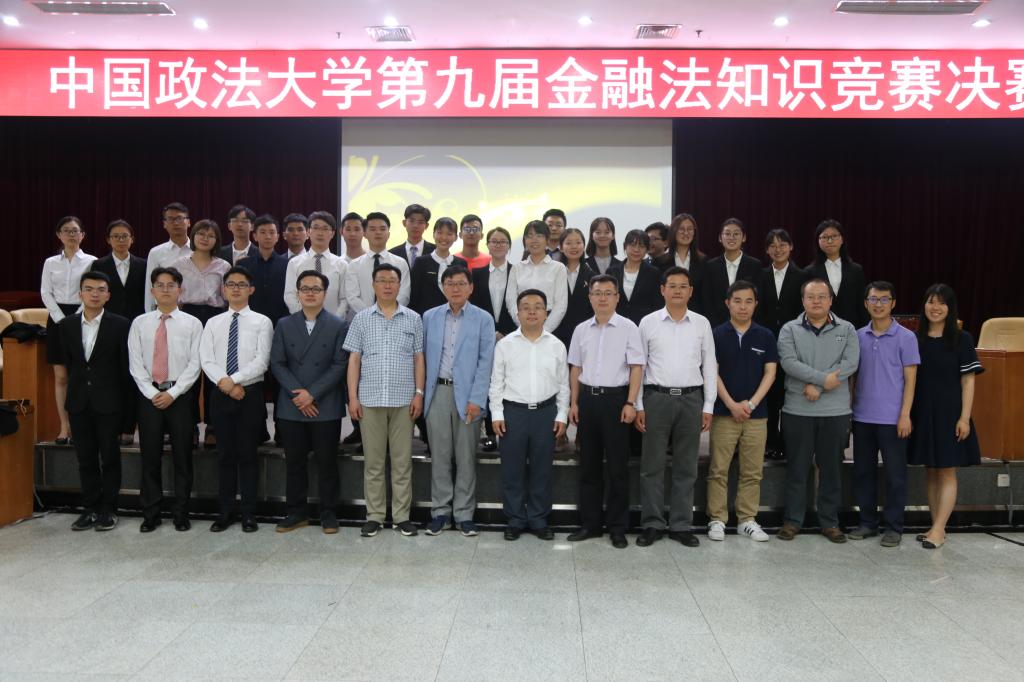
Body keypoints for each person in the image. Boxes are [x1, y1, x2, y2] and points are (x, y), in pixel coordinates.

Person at [635, 267, 716, 548]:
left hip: (691, 399)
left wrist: (708, 405)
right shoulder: (648, 323)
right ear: (662, 290)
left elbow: (710, 365)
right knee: (652, 466)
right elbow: (639, 366)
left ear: (691, 291)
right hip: (656, 398)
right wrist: (638, 404)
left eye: (683, 286)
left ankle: (681, 524)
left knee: (687, 466)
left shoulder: (702, 323)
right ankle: (652, 523)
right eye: (672, 286)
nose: (678, 291)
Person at [776, 278, 860, 543]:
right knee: (797, 469)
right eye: (811, 296)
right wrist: (824, 380)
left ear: (831, 300)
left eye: (822, 296)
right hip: (798, 410)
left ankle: (830, 522)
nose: (816, 301)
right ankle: (792, 521)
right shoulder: (789, 329)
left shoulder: (847, 329)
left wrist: (819, 387)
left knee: (831, 470)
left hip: (835, 412)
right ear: (802, 300)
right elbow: (789, 363)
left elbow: (850, 362)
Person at [345, 263, 425, 538]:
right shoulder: (361, 318)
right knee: (374, 463)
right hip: (370, 400)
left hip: (404, 401)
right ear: (373, 285)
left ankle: (402, 517)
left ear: (400, 285)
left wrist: (419, 394)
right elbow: (354, 359)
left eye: (392, 280)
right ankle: (375, 516)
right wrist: (353, 397)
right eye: (382, 280)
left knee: (402, 463)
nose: (387, 285)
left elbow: (419, 358)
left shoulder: (413, 318)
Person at [566, 275, 643, 549]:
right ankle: (590, 524)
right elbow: (575, 368)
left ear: (617, 298)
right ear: (590, 297)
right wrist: (574, 403)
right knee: (589, 465)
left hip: (616, 401)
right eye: (597, 293)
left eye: (608, 293)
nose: (602, 298)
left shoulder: (629, 328)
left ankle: (618, 527)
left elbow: (636, 367)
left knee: (617, 468)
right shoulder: (580, 329)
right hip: (587, 400)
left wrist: (631, 403)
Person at [271, 270, 348, 533]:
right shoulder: (284, 324)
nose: (310, 293)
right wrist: (299, 395)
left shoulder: (338, 325)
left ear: (325, 294)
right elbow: (277, 363)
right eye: (305, 289)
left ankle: (329, 512)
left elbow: (339, 364)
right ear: (298, 294)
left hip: (325, 404)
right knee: (294, 463)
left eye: (316, 289)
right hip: (291, 404)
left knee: (327, 462)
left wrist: (312, 394)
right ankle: (296, 512)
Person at [490, 289, 570, 541]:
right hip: (513, 414)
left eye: (538, 307)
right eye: (526, 307)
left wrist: (562, 415)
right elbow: (496, 383)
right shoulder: (505, 345)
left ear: (546, 313)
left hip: (545, 414)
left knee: (542, 470)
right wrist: (497, 414)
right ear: (518, 313)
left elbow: (564, 384)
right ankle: (515, 519)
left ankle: (538, 519)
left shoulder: (556, 345)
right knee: (512, 470)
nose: (532, 311)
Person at [908, 284, 984, 550]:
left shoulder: (962, 339)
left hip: (950, 413)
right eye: (931, 302)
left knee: (947, 470)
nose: (936, 307)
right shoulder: (915, 339)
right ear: (924, 305)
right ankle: (934, 525)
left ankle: (940, 528)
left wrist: (964, 418)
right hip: (922, 411)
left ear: (950, 308)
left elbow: (968, 381)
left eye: (941, 303)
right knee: (931, 470)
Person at [128, 266, 203, 532]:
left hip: (179, 396)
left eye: (171, 285)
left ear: (180, 290)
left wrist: (172, 393)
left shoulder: (193, 324)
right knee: (150, 457)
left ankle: (181, 513)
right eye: (160, 285)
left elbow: (195, 364)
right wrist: (153, 393)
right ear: (152, 291)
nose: (166, 289)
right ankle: (151, 513)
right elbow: (135, 363)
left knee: (183, 457)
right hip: (149, 396)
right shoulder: (139, 323)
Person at [422, 266, 495, 537]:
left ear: (471, 287)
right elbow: (421, 357)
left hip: (469, 395)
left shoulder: (483, 319)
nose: (455, 288)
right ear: (443, 287)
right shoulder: (429, 317)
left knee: (466, 457)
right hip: (437, 393)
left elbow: (486, 362)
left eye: (461, 283)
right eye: (450, 283)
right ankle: (440, 512)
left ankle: (464, 514)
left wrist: (477, 399)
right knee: (440, 456)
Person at [200, 267, 274, 533]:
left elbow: (262, 360)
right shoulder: (213, 323)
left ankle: (249, 513)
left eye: (242, 284)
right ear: (223, 290)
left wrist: (235, 380)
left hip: (249, 394)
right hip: (220, 394)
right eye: (230, 284)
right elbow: (206, 359)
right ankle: (225, 511)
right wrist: (226, 383)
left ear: (251, 289)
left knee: (248, 455)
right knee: (225, 456)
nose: (236, 289)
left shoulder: (262, 322)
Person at [848, 281, 920, 547]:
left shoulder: (907, 337)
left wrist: (905, 414)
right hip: (862, 417)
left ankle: (893, 527)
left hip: (893, 419)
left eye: (884, 299)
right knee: (863, 473)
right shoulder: (857, 336)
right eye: (873, 299)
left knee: (895, 476)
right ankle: (867, 522)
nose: (878, 304)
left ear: (893, 303)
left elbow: (911, 381)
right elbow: (852, 377)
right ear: (866, 303)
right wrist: (850, 410)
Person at [705, 281, 777, 543]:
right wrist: (732, 404)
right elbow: (712, 372)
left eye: (748, 301)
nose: (743, 306)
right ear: (728, 303)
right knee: (718, 469)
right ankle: (717, 519)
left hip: (756, 416)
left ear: (755, 304)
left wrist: (751, 404)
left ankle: (747, 519)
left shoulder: (765, 335)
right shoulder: (715, 334)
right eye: (737, 301)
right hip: (724, 413)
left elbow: (770, 373)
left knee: (752, 471)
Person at [61, 271, 131, 532]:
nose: (94, 294)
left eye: (101, 289)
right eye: (89, 289)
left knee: (110, 458)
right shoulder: (67, 325)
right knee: (85, 459)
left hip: (109, 402)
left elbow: (125, 370)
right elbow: (69, 366)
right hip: (79, 402)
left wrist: (128, 416)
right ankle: (90, 508)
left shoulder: (121, 325)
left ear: (108, 295)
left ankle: (109, 509)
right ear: (80, 294)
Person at [173, 219, 230, 448]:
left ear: (217, 240)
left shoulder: (223, 266)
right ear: (193, 236)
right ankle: (191, 426)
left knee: (214, 373)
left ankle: (213, 427)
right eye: (201, 234)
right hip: (188, 316)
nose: (205, 238)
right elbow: (175, 296)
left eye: (210, 235)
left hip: (215, 317)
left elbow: (226, 297)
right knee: (190, 373)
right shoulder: (179, 264)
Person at [90, 219, 147, 445]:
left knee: (133, 376)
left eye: (125, 236)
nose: (121, 240)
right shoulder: (98, 265)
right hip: (109, 327)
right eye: (116, 236)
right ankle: (113, 425)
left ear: (132, 239)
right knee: (111, 377)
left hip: (137, 327)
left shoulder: (143, 265)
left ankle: (129, 426)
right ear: (108, 240)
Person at [41, 216, 97, 444]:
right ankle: (64, 427)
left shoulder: (92, 261)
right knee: (61, 376)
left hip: (84, 315)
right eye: (66, 230)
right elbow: (45, 292)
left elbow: (91, 290)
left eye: (75, 231)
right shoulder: (50, 262)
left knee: (81, 376)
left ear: (82, 235)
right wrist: (61, 319)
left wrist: (76, 317)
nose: (71, 235)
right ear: (59, 235)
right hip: (57, 318)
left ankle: (82, 426)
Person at [755, 228, 808, 460]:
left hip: (794, 343)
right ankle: (770, 442)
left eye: (782, 245)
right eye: (773, 246)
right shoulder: (759, 275)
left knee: (789, 394)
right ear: (767, 250)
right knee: (769, 394)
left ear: (791, 247)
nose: (778, 249)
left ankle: (787, 443)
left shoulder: (803, 276)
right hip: (765, 342)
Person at [470, 227, 517, 452]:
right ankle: (489, 433)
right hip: (485, 336)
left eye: (503, 241)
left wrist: (506, 332)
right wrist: (492, 332)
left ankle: (510, 431)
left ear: (509, 246)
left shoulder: (517, 271)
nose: (498, 245)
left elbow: (519, 304)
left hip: (513, 335)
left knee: (509, 382)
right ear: (487, 245)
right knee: (488, 383)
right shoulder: (476, 273)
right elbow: (474, 307)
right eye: (494, 241)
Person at [344, 211, 412, 316]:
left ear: (388, 234)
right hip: (364, 319)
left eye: (382, 229)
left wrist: (388, 312)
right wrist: (371, 315)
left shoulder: (400, 263)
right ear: (365, 234)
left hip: (394, 317)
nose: (378, 232)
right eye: (373, 229)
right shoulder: (354, 265)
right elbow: (352, 297)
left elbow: (404, 295)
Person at [284, 210, 348, 319]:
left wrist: (334, 321)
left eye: (325, 229)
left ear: (332, 233)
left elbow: (345, 299)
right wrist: (305, 318)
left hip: (333, 323)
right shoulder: (294, 263)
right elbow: (290, 295)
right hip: (303, 322)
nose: (320, 233)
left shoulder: (342, 265)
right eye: (316, 228)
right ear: (308, 232)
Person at [506, 220, 568, 333]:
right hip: (522, 326)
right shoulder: (516, 268)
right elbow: (511, 301)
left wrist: (544, 331)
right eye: (529, 236)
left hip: (550, 326)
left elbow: (561, 305)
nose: (534, 240)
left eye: (539, 236)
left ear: (547, 240)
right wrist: (523, 326)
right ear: (525, 240)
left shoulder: (558, 268)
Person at [806, 219, 868, 329]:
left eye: (834, 236)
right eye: (824, 237)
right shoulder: (809, 272)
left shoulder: (856, 270)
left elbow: (861, 303)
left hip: (851, 328)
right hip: (819, 328)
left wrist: (863, 329)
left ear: (842, 239)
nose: (830, 241)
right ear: (818, 241)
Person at [701, 218, 763, 328]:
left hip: (747, 325)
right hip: (717, 327)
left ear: (744, 237)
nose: (731, 237)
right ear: (720, 238)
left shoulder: (754, 265)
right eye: (727, 234)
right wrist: (716, 327)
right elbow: (707, 300)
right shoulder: (710, 266)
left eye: (736, 234)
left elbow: (759, 298)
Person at [408, 217, 469, 315]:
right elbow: (414, 295)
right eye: (440, 233)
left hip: (455, 318)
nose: (444, 238)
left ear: (456, 237)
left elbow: (465, 294)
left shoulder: (461, 264)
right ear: (433, 234)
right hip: (426, 318)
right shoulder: (421, 262)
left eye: (449, 234)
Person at [237, 214, 289, 326]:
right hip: (249, 322)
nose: (268, 236)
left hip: (280, 322)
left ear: (277, 237)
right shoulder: (243, 264)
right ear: (255, 236)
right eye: (263, 232)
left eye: (272, 232)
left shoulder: (288, 264)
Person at [553, 228, 598, 351]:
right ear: (561, 247)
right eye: (568, 243)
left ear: (584, 246)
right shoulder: (553, 274)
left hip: (585, 335)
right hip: (557, 333)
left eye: (578, 243)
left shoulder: (592, 276)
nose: (574, 247)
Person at [608, 229, 664, 326]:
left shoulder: (654, 273)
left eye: (641, 246)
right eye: (632, 245)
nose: (636, 250)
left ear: (647, 249)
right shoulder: (612, 271)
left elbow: (657, 304)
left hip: (644, 325)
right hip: (616, 324)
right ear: (625, 246)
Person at [653, 213, 707, 313]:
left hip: (695, 316)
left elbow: (705, 295)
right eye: (681, 229)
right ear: (673, 231)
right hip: (666, 315)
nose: (686, 233)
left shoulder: (703, 261)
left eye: (690, 229)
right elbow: (657, 295)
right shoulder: (659, 262)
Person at [144, 202, 192, 311]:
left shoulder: (198, 251)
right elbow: (150, 286)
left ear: (188, 222)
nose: (175, 223)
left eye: (179, 218)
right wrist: (149, 313)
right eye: (170, 219)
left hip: (193, 309)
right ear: (164, 224)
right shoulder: (156, 252)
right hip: (164, 309)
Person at [390, 203, 435, 268]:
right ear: (404, 223)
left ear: (426, 226)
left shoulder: (435, 251)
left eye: (420, 222)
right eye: (411, 221)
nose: (415, 226)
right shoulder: (392, 254)